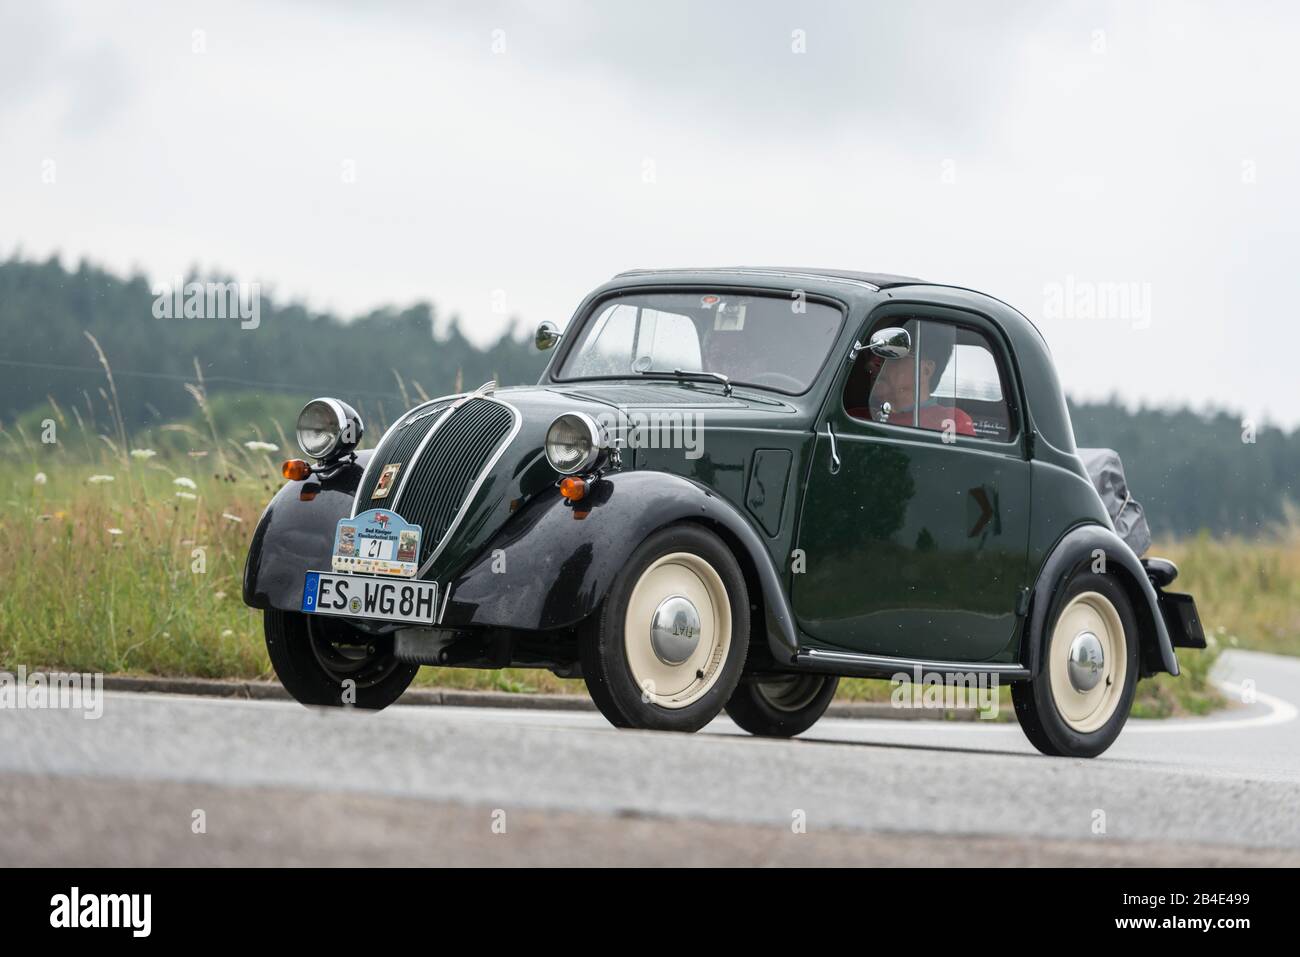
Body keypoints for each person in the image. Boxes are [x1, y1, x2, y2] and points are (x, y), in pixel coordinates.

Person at [846, 326, 975, 436]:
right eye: (872, 355)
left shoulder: (953, 423)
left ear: (925, 370)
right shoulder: (852, 418)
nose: (870, 364)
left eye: (891, 353)